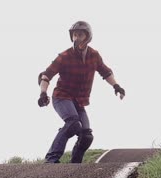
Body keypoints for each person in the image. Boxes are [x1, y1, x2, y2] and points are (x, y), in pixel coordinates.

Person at [37, 21, 125, 163]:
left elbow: (106, 72)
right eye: (74, 35)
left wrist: (116, 86)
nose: (76, 38)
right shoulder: (64, 56)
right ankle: (51, 159)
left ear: (88, 37)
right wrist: (43, 93)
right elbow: (46, 75)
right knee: (73, 123)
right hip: (62, 97)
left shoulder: (94, 55)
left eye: (80, 35)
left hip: (79, 101)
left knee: (86, 135)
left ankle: (75, 166)